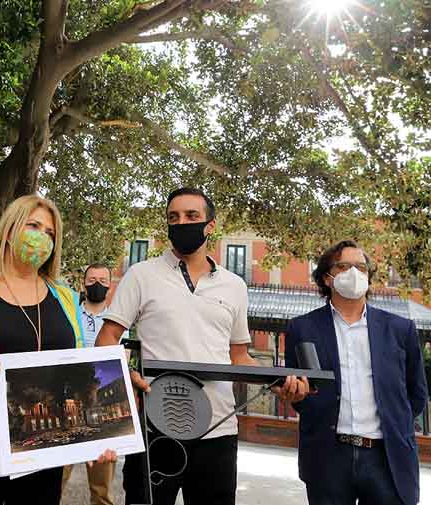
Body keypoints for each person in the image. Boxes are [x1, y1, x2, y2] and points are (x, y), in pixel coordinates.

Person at [95, 187, 306, 505]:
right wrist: (125, 377)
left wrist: (276, 383)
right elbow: (106, 339)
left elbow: (239, 356)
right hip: (155, 426)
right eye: (173, 217)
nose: (181, 223)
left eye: (192, 216)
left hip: (218, 431)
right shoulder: (141, 275)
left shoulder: (234, 286)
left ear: (210, 225)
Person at [0, 195, 115, 505]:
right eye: (34, 225)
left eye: (50, 232)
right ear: (10, 231)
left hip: (44, 444)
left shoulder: (66, 297)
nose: (42, 236)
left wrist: (95, 439)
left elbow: (80, 366)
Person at [285, 240, 427, 505]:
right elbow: (303, 394)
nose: (354, 273)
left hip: (386, 459)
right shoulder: (302, 328)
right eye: (343, 266)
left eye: (361, 267)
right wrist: (295, 395)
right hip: (328, 458)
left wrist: (395, 423)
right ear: (327, 278)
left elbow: (416, 394)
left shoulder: (399, 329)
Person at [61, 263, 126, 505]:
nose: (96, 284)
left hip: (102, 403)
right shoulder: (68, 316)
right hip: (67, 402)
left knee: (102, 489)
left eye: (102, 279)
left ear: (110, 285)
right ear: (82, 284)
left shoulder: (119, 324)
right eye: (91, 279)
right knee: (55, 477)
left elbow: (121, 363)